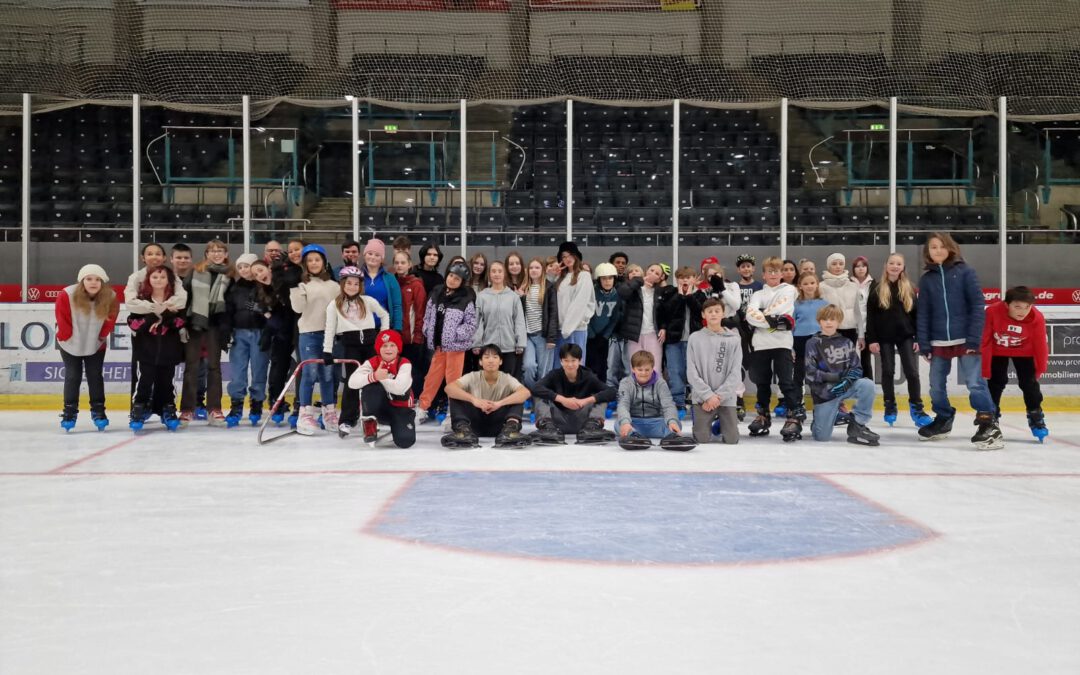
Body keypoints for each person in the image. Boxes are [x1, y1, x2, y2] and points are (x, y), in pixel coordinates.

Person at [916, 232, 1002, 449]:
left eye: (941, 246)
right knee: (935, 386)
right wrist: (924, 343)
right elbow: (923, 313)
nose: (937, 250)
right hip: (938, 341)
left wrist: (974, 339)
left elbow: (976, 306)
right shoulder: (927, 280)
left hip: (966, 339)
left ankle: (988, 423)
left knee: (975, 383)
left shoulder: (965, 272)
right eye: (933, 247)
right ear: (928, 252)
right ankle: (943, 418)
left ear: (950, 248)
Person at [324, 266, 390, 436]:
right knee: (353, 382)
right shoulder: (334, 305)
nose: (352, 287)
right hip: (351, 347)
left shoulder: (368, 301)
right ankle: (347, 419)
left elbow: (384, 315)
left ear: (360, 286)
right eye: (349, 283)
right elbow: (330, 328)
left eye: (356, 284)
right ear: (342, 284)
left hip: (370, 346)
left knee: (373, 382)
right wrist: (327, 351)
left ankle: (375, 417)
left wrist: (384, 336)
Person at [865, 253, 930, 428]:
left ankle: (917, 407)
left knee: (912, 372)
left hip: (906, 336)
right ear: (886, 265)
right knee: (888, 371)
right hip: (884, 336)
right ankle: (890, 405)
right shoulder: (877, 287)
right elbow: (870, 316)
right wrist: (871, 339)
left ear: (903, 267)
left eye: (898, 263)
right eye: (892, 263)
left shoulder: (909, 287)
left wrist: (918, 337)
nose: (895, 266)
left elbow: (916, 315)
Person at [125, 243, 187, 421]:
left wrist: (163, 315)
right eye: (150, 254)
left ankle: (165, 407)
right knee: (144, 376)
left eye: (158, 254)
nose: (154, 257)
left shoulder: (172, 277)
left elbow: (181, 301)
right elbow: (131, 303)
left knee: (165, 379)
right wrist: (156, 311)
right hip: (145, 337)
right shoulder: (136, 278)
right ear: (143, 258)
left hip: (168, 339)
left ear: (164, 258)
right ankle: (139, 407)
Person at [55, 263, 120, 431]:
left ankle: (98, 411)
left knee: (95, 376)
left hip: (95, 344)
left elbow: (110, 319)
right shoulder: (67, 294)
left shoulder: (111, 297)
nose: (93, 282)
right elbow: (62, 318)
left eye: (97, 279)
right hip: (69, 343)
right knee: (72, 376)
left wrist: (100, 337)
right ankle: (69, 411)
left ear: (103, 282)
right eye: (89, 279)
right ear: (81, 281)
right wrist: (67, 336)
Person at [804, 304, 880, 445]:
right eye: (825, 319)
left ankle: (858, 424)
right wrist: (837, 378)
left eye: (832, 319)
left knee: (867, 384)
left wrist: (845, 383)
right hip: (825, 394)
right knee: (821, 437)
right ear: (819, 321)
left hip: (845, 387)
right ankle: (826, 418)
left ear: (839, 322)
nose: (828, 322)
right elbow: (811, 374)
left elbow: (857, 368)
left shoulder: (846, 342)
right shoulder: (812, 343)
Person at [981, 286, 1049, 442]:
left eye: (1027, 307)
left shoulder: (1036, 317)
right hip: (998, 350)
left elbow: (1040, 345)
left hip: (1024, 351)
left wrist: (1040, 367)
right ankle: (992, 416)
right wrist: (985, 367)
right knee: (996, 382)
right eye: (1017, 306)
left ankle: (1035, 414)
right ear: (1007, 305)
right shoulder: (992, 311)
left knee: (1029, 384)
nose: (1022, 311)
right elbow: (985, 340)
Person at [745, 256, 801, 440]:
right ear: (764, 274)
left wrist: (760, 316)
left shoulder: (789, 290)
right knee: (762, 382)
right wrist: (775, 321)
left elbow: (780, 309)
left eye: (777, 271)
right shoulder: (757, 294)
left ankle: (794, 416)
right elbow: (749, 316)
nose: (774, 274)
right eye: (770, 271)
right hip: (760, 344)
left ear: (782, 273)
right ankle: (763, 415)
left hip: (782, 343)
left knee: (786, 381)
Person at [179, 239, 233, 426]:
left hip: (216, 325)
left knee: (214, 367)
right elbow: (184, 298)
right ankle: (187, 410)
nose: (216, 254)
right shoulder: (195, 272)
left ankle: (214, 409)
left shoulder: (230, 275)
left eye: (220, 250)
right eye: (212, 250)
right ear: (206, 254)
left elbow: (231, 304)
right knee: (192, 367)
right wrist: (182, 324)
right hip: (195, 323)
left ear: (226, 255)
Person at [416, 261, 477, 424]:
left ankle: (453, 413)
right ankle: (422, 408)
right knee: (432, 378)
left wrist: (455, 335)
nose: (452, 280)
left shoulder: (466, 298)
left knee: (453, 380)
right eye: (450, 276)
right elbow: (428, 315)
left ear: (462, 282)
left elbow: (471, 324)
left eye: (457, 279)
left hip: (456, 348)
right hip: (439, 347)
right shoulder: (437, 292)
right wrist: (427, 329)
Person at [289, 244, 340, 436]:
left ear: (324, 262)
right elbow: (298, 308)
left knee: (327, 375)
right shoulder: (302, 285)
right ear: (305, 264)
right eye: (309, 260)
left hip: (328, 335)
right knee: (309, 374)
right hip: (308, 334)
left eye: (317, 259)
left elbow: (340, 310)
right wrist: (294, 287)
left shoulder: (334, 286)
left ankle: (329, 412)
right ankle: (305, 413)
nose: (313, 263)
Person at [442, 344, 532, 448]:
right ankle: (463, 431)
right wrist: (474, 400)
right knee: (456, 395)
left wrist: (499, 404)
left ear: (500, 361)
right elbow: (449, 388)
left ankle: (510, 430)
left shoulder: (507, 378)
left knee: (517, 398)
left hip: (500, 427)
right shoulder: (472, 376)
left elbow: (525, 393)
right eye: (486, 357)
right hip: (472, 425)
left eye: (495, 357)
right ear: (480, 361)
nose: (491, 360)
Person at [530, 343, 617, 445]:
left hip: (583, 422)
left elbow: (612, 392)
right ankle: (547, 428)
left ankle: (592, 427)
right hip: (555, 422)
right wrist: (563, 400)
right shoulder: (554, 375)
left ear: (580, 361)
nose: (570, 364)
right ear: (561, 361)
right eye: (566, 361)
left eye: (573, 360)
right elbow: (535, 388)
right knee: (539, 394)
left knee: (601, 396)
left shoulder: (588, 376)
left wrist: (585, 400)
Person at [686, 298, 742, 445]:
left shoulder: (734, 339)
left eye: (717, 311)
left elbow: (735, 373)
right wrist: (708, 396)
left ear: (723, 314)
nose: (713, 314)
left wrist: (718, 397)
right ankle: (708, 421)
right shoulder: (695, 338)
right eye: (709, 311)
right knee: (701, 439)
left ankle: (721, 423)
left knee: (732, 439)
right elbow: (691, 372)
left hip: (726, 398)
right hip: (702, 399)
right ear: (703, 315)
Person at [223, 253, 269, 427]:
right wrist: (226, 331)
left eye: (246, 266)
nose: (243, 270)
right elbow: (228, 311)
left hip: (260, 332)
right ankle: (236, 406)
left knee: (259, 370)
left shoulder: (264, 286)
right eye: (240, 267)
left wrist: (260, 310)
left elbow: (272, 307)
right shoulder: (233, 288)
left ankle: (256, 404)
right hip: (239, 333)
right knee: (237, 372)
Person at [348, 329, 416, 447]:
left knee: (405, 441)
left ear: (398, 348)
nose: (388, 349)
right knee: (371, 385)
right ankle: (369, 422)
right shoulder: (372, 362)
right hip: (381, 409)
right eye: (384, 346)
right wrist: (373, 376)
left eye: (392, 345)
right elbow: (352, 382)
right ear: (379, 348)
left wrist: (381, 378)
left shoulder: (404, 363)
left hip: (401, 409)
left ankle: (399, 426)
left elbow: (399, 389)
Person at [615, 350, 690, 450]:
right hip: (634, 422)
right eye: (640, 369)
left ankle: (672, 438)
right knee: (618, 424)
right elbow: (623, 404)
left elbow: (668, 405)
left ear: (652, 368)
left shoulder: (660, 383)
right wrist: (625, 422)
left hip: (656, 422)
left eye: (647, 369)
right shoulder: (625, 383)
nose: (643, 373)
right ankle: (633, 436)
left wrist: (672, 421)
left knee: (676, 424)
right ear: (633, 369)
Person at [471, 260, 527, 377]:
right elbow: (477, 321)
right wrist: (476, 343)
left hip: (509, 347)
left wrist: (520, 343)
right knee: (488, 380)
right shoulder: (482, 296)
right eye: (493, 271)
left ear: (504, 274)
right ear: (489, 274)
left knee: (508, 381)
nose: (496, 274)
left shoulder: (513, 297)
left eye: (500, 271)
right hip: (488, 347)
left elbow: (519, 321)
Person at [658, 266, 697, 415]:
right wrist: (680, 297)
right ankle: (678, 402)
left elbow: (700, 312)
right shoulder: (670, 294)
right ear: (677, 280)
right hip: (674, 340)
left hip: (694, 340)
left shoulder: (699, 294)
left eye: (688, 277)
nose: (685, 280)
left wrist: (689, 296)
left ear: (694, 279)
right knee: (675, 371)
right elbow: (666, 312)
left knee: (694, 372)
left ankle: (696, 401)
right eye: (681, 277)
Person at [617, 262, 668, 370]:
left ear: (659, 278)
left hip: (653, 333)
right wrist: (640, 280)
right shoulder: (635, 288)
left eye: (657, 273)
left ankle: (656, 387)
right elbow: (622, 292)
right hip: (634, 334)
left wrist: (663, 327)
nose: (653, 273)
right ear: (646, 271)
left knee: (655, 367)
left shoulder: (660, 292)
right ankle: (634, 387)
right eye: (651, 270)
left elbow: (663, 312)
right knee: (635, 367)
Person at [519, 257, 559, 391]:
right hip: (527, 336)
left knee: (544, 371)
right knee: (529, 366)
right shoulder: (524, 288)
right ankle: (531, 391)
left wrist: (551, 338)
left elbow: (554, 314)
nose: (534, 270)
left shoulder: (549, 287)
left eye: (537, 267)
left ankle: (541, 397)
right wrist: (519, 297)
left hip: (543, 335)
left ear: (542, 270)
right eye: (531, 268)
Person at [553, 242, 596, 367]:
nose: (567, 259)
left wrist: (567, 329)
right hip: (560, 330)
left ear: (576, 256)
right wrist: (552, 274)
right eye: (564, 256)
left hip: (576, 329)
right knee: (560, 366)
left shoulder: (584, 276)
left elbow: (580, 304)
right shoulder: (560, 278)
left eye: (570, 255)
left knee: (575, 366)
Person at [391, 250, 427, 399]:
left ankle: (415, 399)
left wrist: (418, 335)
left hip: (411, 338)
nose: (399, 266)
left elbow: (420, 312)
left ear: (410, 265)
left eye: (403, 263)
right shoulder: (392, 282)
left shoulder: (416, 284)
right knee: (396, 370)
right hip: (395, 337)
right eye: (397, 263)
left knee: (413, 371)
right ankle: (398, 399)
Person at [792, 272, 829, 413]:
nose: (809, 286)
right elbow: (791, 326)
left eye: (812, 283)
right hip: (800, 341)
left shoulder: (824, 304)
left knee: (818, 375)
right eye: (805, 283)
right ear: (800, 286)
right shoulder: (796, 305)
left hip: (818, 341)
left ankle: (820, 405)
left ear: (817, 284)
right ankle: (796, 406)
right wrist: (791, 347)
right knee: (799, 374)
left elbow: (829, 325)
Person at [734, 253, 762, 421]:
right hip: (740, 331)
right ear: (738, 269)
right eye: (743, 266)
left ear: (753, 268)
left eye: (748, 266)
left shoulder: (760, 286)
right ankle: (739, 400)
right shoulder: (735, 287)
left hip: (757, 331)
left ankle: (761, 401)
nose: (746, 268)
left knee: (758, 368)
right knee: (739, 366)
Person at [586, 262, 621, 387]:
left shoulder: (617, 295)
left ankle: (601, 391)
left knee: (603, 365)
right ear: (598, 280)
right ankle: (588, 389)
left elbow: (615, 318)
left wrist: (605, 335)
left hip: (604, 337)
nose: (607, 281)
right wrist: (591, 334)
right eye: (604, 278)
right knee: (589, 364)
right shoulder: (592, 292)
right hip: (590, 336)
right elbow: (585, 313)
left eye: (610, 278)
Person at [360, 238, 402, 332]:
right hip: (361, 329)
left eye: (377, 255)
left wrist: (397, 329)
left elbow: (397, 306)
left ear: (382, 258)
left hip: (384, 328)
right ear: (364, 255)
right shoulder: (357, 276)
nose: (373, 257)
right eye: (370, 253)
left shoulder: (390, 278)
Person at [819, 252, 860, 346]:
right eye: (834, 264)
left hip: (850, 329)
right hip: (829, 329)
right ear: (828, 266)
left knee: (849, 358)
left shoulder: (853, 286)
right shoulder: (821, 287)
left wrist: (860, 332)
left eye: (841, 264)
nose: (838, 267)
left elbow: (858, 311)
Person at [851, 255, 874, 381]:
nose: (860, 269)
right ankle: (849, 388)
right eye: (857, 266)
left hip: (867, 328)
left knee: (866, 360)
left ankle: (868, 388)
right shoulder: (848, 283)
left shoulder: (873, 284)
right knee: (849, 359)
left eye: (863, 266)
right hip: (851, 327)